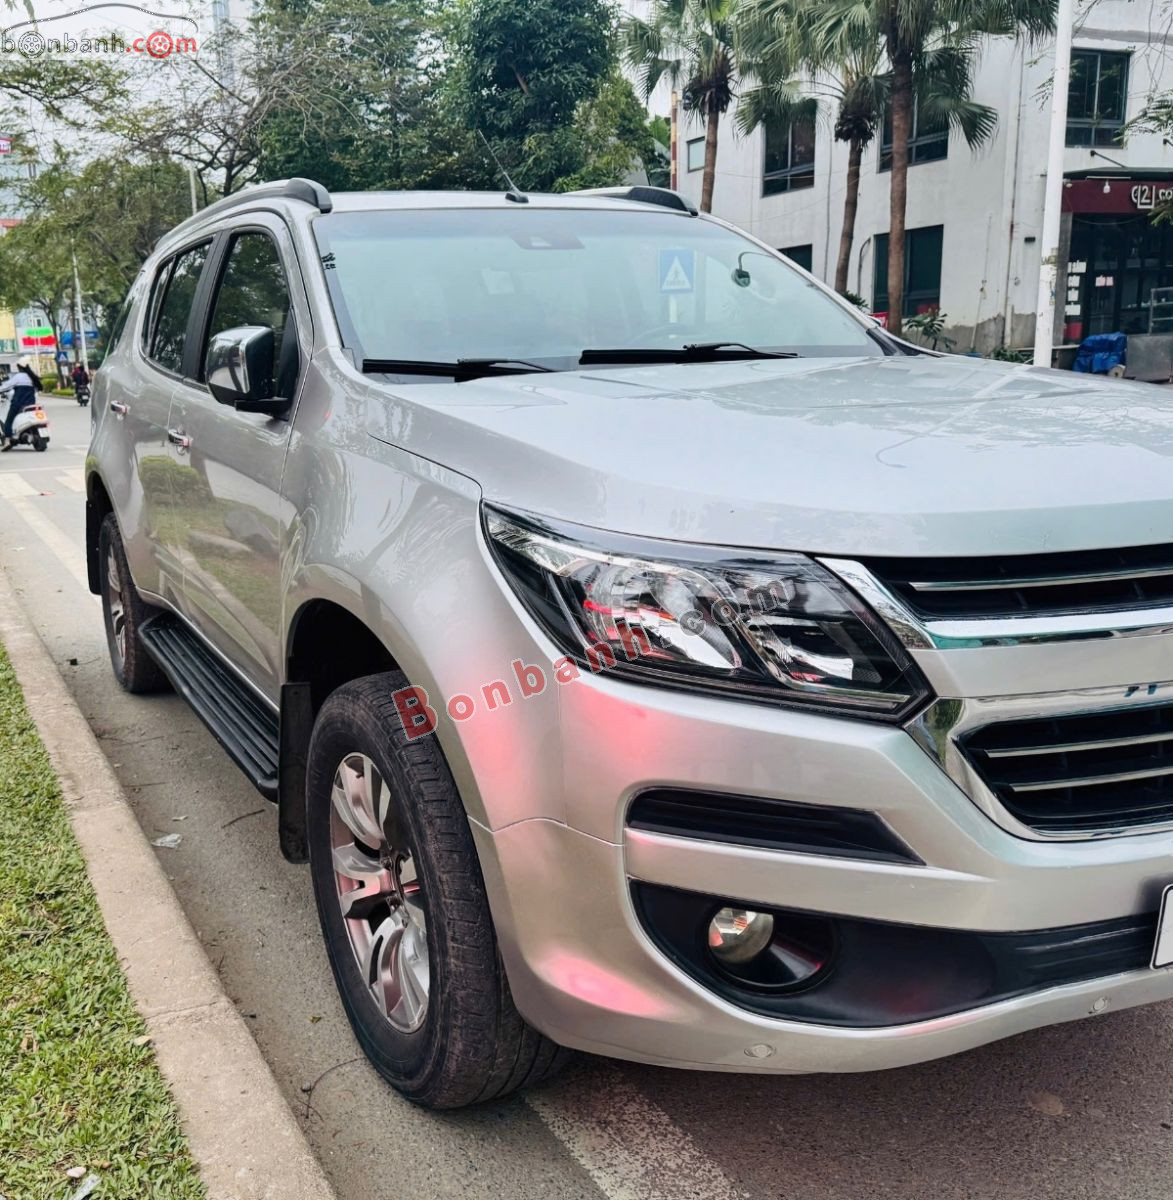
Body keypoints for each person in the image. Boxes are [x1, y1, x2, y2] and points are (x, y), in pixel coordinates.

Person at [1, 360, 43, 451]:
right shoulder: (32, 377)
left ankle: (7, 440)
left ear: (19, 367)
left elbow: (6, 386)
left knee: (8, 420)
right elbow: (36, 390)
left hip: (18, 404)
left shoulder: (18, 377)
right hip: (31, 404)